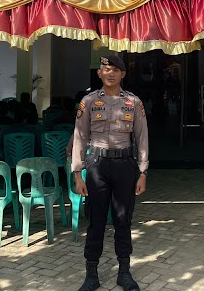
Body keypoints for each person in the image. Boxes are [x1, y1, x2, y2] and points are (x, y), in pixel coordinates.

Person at [72, 55, 149, 291]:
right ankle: (91, 273)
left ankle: (124, 273)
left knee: (123, 220)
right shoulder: (89, 101)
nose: (111, 73)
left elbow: (142, 137)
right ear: (99, 73)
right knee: (95, 220)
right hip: (97, 165)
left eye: (116, 70)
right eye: (107, 69)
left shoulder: (134, 103)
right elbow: (79, 137)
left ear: (123, 74)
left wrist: (143, 171)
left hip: (125, 164)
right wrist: (78, 174)